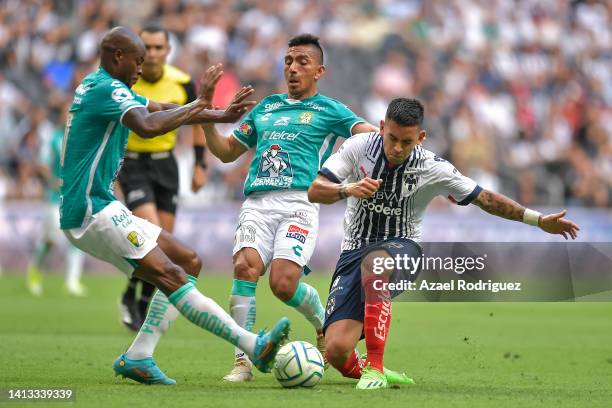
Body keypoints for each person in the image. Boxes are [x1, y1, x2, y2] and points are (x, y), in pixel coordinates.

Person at [59, 26, 290, 385]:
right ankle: (252, 345)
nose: (142, 68)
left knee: (187, 260)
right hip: (91, 211)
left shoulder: (100, 84)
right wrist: (200, 105)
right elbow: (149, 125)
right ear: (117, 57)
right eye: (137, 61)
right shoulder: (108, 89)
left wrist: (219, 115)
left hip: (98, 205)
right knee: (172, 275)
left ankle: (139, 356)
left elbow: (163, 108)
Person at [308, 98, 580, 390]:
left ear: (421, 138)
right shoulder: (358, 147)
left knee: (376, 263)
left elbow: (485, 198)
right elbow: (315, 190)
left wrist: (538, 220)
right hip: (352, 251)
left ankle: (374, 367)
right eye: (392, 138)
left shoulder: (431, 166)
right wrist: (347, 188)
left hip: (402, 248)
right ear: (382, 127)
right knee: (336, 350)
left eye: (407, 142)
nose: (398, 148)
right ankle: (374, 371)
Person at [202, 33, 377, 382]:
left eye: (302, 62)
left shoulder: (329, 110)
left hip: (301, 202)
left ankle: (321, 326)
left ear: (319, 71)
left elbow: (369, 135)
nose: (292, 68)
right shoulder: (266, 107)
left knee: (283, 284)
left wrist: (393, 146)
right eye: (288, 61)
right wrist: (207, 113)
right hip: (257, 202)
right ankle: (242, 361)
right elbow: (225, 152)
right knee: (244, 267)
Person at [117, 23, 209, 332]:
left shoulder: (182, 82)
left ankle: (139, 299)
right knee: (151, 231)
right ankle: (132, 297)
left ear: (168, 51)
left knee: (163, 245)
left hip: (166, 165)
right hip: (132, 164)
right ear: (139, 52)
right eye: (148, 48)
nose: (154, 54)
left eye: (159, 47)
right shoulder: (126, 81)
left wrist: (199, 164)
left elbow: (196, 122)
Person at [26, 105, 86, 297]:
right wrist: (53, 182)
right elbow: (42, 165)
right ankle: (35, 271)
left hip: (74, 197)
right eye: (66, 115)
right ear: (60, 117)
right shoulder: (52, 138)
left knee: (77, 239)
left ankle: (72, 282)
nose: (69, 119)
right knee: (51, 239)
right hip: (54, 197)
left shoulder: (80, 138)